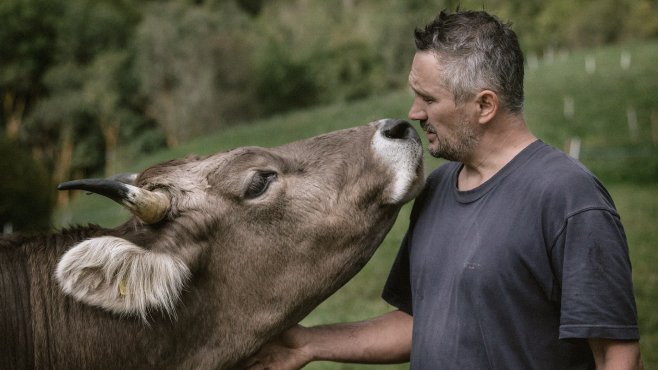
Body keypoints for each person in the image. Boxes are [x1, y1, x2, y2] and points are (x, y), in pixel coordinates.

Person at [243, 9, 643, 370]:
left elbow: (616, 355)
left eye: (428, 99)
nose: (415, 113)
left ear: (485, 106)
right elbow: (418, 324)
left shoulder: (569, 198)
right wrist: (309, 344)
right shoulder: (436, 188)